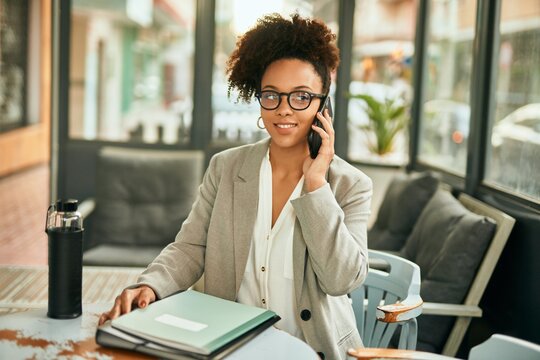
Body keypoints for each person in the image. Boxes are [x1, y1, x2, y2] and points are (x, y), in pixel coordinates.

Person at [99, 13, 372, 359]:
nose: (284, 110)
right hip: (228, 346)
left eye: (301, 97)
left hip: (311, 350)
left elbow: (341, 280)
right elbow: (191, 247)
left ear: (323, 105)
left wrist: (316, 185)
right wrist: (149, 285)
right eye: (272, 95)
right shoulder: (226, 168)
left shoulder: (350, 185)